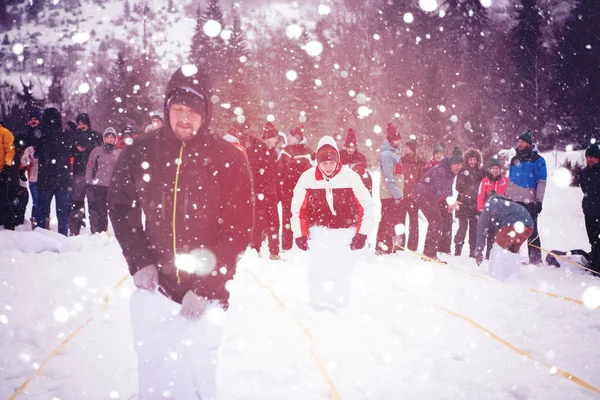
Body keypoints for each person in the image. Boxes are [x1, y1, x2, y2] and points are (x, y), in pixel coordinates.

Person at [109, 65, 253, 399]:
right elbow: (120, 205)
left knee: (197, 380)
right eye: (178, 109)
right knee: (157, 381)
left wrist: (205, 286)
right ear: (166, 108)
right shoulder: (141, 152)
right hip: (156, 291)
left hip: (206, 299)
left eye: (192, 111)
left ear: (206, 114)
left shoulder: (227, 158)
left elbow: (237, 229)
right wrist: (139, 260)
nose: (184, 118)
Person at [291, 136, 376, 311]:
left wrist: (362, 233)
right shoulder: (307, 178)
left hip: (345, 233)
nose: (328, 167)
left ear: (337, 160)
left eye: (332, 162)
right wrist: (300, 234)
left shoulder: (350, 177)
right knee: (317, 271)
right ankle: (317, 302)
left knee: (342, 272)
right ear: (318, 163)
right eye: (324, 163)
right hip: (319, 232)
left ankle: (340, 304)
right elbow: (298, 209)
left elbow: (367, 206)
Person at [505, 130, 547, 265]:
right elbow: (510, 180)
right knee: (513, 231)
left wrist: (539, 201)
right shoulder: (514, 160)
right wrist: (507, 197)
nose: (519, 143)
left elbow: (541, 182)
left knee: (532, 232)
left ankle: (535, 261)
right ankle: (512, 258)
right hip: (514, 201)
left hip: (530, 203)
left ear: (529, 144)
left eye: (522, 141)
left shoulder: (538, 160)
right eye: (518, 141)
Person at [414, 146, 464, 261]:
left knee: (435, 223)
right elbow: (441, 187)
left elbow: (448, 188)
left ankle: (428, 252)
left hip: (429, 197)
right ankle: (430, 254)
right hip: (424, 196)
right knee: (437, 222)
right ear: (451, 163)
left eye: (461, 165)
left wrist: (449, 202)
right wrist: (450, 200)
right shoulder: (441, 170)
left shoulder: (450, 172)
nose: (459, 167)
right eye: (457, 164)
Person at [474, 194, 534, 282]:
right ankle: (513, 276)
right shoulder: (507, 204)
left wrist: (479, 251)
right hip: (529, 227)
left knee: (498, 250)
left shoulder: (490, 204)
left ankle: (496, 277)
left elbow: (481, 228)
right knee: (511, 251)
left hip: (512, 225)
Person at [35, 108, 75, 236]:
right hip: (63, 178)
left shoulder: (41, 134)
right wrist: (76, 130)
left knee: (42, 212)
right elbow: (80, 143)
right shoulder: (66, 134)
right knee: (62, 213)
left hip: (45, 178)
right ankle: (62, 238)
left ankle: (41, 237)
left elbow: (29, 142)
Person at [247, 122, 282, 260]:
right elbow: (253, 174)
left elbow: (274, 174)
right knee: (259, 223)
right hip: (259, 193)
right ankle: (254, 250)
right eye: (275, 139)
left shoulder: (272, 153)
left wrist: (277, 191)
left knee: (274, 222)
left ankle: (274, 251)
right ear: (268, 138)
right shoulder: (256, 151)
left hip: (271, 193)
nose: (276, 142)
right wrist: (258, 191)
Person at [278, 124, 314, 251]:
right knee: (286, 217)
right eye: (289, 136)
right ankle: (287, 246)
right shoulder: (285, 150)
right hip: (287, 190)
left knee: (302, 216)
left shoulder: (307, 151)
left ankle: (305, 243)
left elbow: (311, 170)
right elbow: (279, 169)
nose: (289, 138)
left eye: (291, 136)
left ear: (298, 138)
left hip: (301, 190)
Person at [70, 112, 103, 235]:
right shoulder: (74, 136)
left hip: (93, 175)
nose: (82, 125)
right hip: (78, 173)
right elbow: (69, 151)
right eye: (79, 123)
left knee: (93, 203)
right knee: (76, 203)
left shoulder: (96, 135)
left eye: (84, 123)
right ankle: (75, 231)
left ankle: (96, 231)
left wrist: (86, 147)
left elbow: (99, 150)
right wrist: (76, 147)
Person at [86, 128, 121, 234]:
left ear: (115, 139)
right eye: (107, 137)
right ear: (104, 138)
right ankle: (102, 231)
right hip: (99, 185)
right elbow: (90, 166)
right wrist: (89, 181)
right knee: (100, 210)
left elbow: (122, 170)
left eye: (112, 137)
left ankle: (118, 231)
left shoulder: (118, 152)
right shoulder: (97, 150)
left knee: (115, 210)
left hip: (113, 186)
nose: (109, 139)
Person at [375, 122, 403, 254]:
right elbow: (388, 178)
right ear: (391, 140)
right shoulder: (387, 155)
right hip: (388, 195)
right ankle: (381, 246)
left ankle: (389, 246)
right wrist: (397, 193)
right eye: (396, 139)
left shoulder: (394, 153)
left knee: (391, 220)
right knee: (387, 220)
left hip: (392, 194)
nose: (398, 142)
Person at [454, 148, 485, 257]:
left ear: (477, 160)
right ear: (467, 160)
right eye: (470, 159)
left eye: (474, 160)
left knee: (474, 229)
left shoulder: (481, 172)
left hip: (476, 204)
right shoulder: (462, 171)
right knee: (462, 228)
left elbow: (484, 186)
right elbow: (458, 187)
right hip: (463, 202)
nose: (472, 162)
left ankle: (473, 251)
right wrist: (468, 190)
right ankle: (458, 249)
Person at [396, 138, 425, 252]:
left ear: (412, 149)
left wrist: (418, 194)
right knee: (400, 222)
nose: (405, 149)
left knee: (414, 223)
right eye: (405, 147)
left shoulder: (419, 162)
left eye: (407, 147)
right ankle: (400, 245)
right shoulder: (400, 161)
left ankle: (412, 247)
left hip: (413, 197)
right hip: (402, 196)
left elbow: (421, 180)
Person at [477, 157, 508, 259]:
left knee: (495, 233)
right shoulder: (485, 181)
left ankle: (491, 254)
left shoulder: (505, 181)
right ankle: (481, 252)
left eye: (497, 168)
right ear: (489, 169)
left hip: (500, 211)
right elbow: (481, 195)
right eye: (493, 168)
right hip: (488, 210)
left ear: (500, 169)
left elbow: (508, 196)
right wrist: (481, 209)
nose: (495, 171)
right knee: (485, 232)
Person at [580, 142, 600, 274]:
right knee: (592, 238)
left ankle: (597, 266)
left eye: (594, 157)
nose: (591, 159)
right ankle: (595, 259)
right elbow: (584, 189)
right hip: (589, 211)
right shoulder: (584, 172)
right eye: (588, 157)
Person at [339, 128, 372, 194]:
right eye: (349, 148)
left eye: (353, 148)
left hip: (358, 189)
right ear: (345, 147)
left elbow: (365, 177)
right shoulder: (340, 157)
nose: (351, 150)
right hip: (343, 189)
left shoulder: (360, 157)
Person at [0, 121, 16, 230]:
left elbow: (10, 150)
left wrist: (7, 165)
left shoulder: (4, 133)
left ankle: (8, 224)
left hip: (1, 171)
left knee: (3, 198)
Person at [21, 144, 39, 229]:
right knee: (36, 201)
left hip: (46, 179)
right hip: (33, 179)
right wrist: (31, 156)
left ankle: (44, 221)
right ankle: (35, 220)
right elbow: (24, 162)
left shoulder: (48, 145)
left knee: (44, 202)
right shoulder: (30, 149)